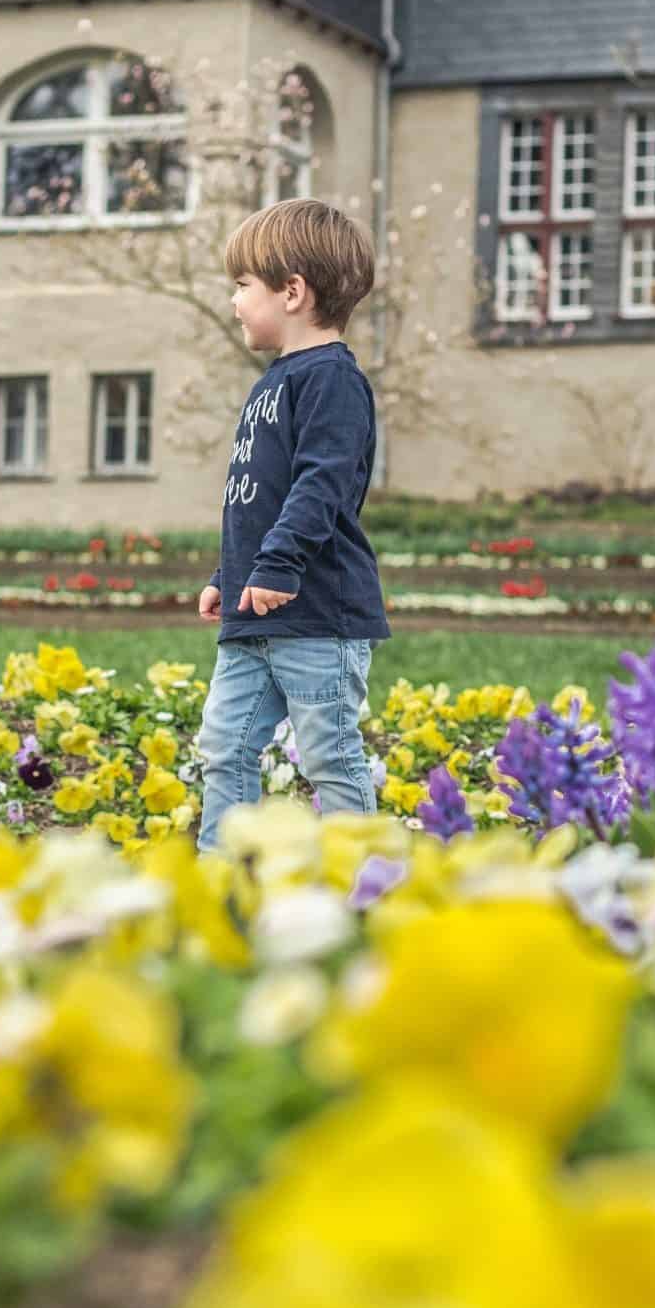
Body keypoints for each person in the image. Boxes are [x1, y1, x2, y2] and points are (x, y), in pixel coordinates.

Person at [196, 197, 390, 852]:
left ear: (293, 292)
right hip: (254, 611)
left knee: (329, 756)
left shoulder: (332, 380)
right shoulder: (273, 382)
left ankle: (362, 882)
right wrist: (232, 572)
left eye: (244, 285)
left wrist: (277, 566)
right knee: (224, 746)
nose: (234, 301)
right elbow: (259, 498)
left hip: (315, 616)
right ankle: (222, 877)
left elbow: (321, 487)